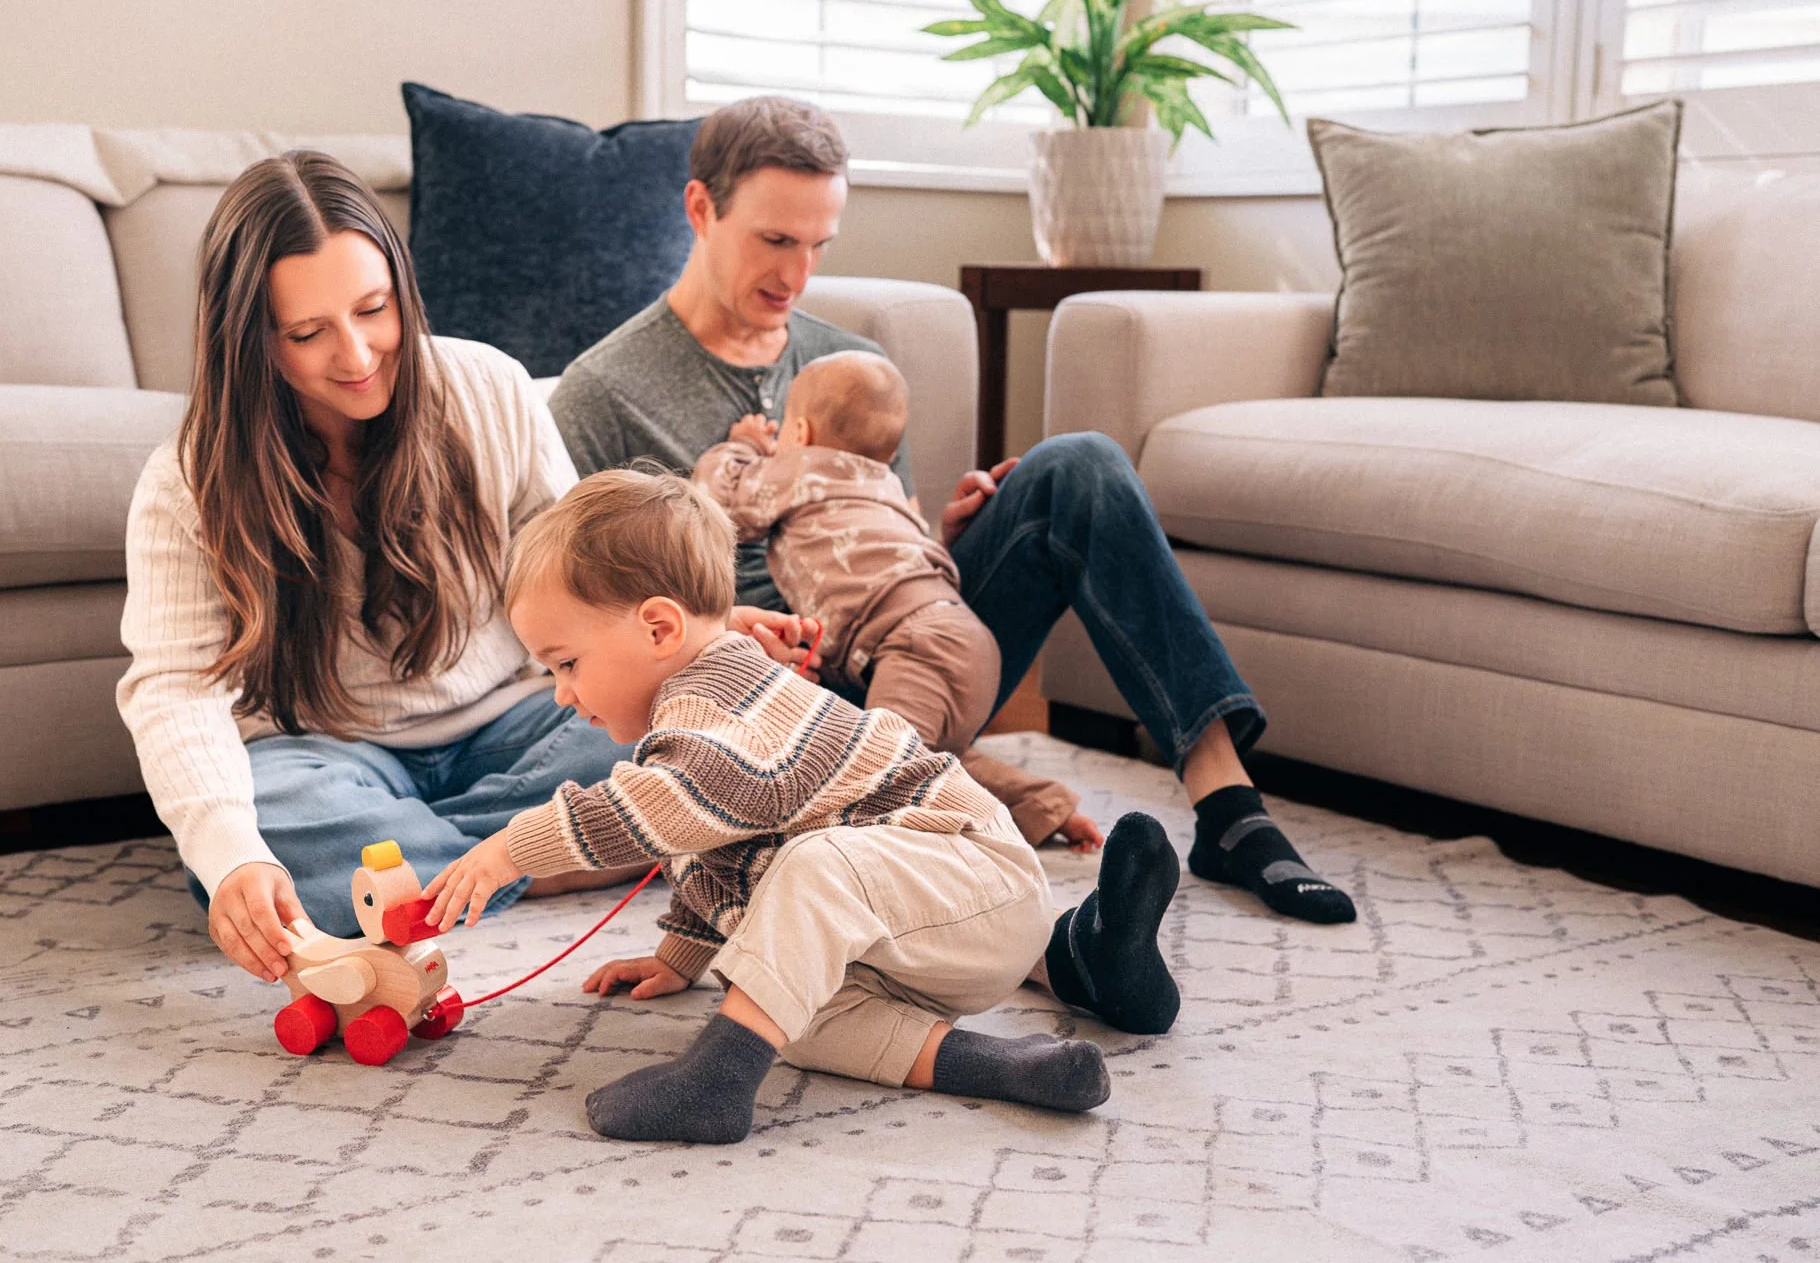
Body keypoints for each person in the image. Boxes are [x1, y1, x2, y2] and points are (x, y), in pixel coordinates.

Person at [548, 96, 1356, 926]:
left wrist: (942, 541)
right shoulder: (602, 393)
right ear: (700, 208)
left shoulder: (846, 364)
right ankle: (943, 842)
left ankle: (1226, 806)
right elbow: (588, 614)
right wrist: (729, 629)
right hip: (760, 704)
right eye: (777, 241)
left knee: (1080, 465)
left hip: (907, 649)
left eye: (819, 245)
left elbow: (863, 540)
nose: (796, 276)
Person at [114, 151, 821, 986]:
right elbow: (175, 688)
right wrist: (233, 854)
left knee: (693, 743)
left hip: (518, 721)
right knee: (255, 839)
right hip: (321, 756)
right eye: (308, 333)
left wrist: (695, 635)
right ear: (251, 339)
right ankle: (562, 851)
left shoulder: (488, 386)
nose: (356, 354)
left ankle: (436, 871)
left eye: (374, 310)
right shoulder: (187, 479)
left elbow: (587, 573)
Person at [422, 471, 1185, 1145]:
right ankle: (1038, 1035)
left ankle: (716, 1085)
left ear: (658, 628)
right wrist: (681, 956)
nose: (563, 693)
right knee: (793, 1005)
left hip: (970, 871)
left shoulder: (721, 698)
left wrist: (515, 847)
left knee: (816, 869)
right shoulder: (690, 730)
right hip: (917, 928)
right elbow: (724, 860)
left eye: (567, 665)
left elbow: (695, 804)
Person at [692, 350, 1100, 852]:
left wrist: (741, 447)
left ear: (798, 434)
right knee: (910, 755)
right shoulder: (884, 486)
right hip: (958, 635)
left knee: (878, 770)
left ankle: (916, 858)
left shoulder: (802, 471)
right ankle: (1044, 807)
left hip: (915, 643)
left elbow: (720, 501)